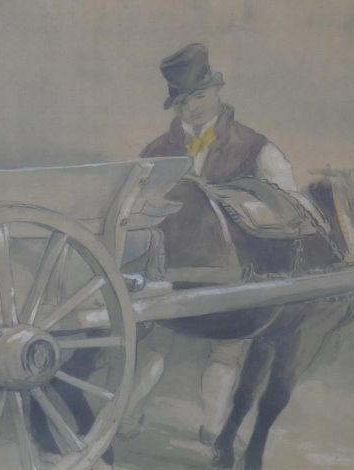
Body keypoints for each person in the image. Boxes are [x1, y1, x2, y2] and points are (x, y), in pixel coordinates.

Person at [121, 43, 308, 445]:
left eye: (199, 97)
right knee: (155, 344)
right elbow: (130, 207)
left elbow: (290, 205)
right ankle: (125, 418)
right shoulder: (156, 152)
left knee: (227, 350)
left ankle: (213, 430)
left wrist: (242, 203)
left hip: (230, 271)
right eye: (182, 101)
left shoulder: (256, 148)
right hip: (168, 271)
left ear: (217, 92)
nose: (191, 108)